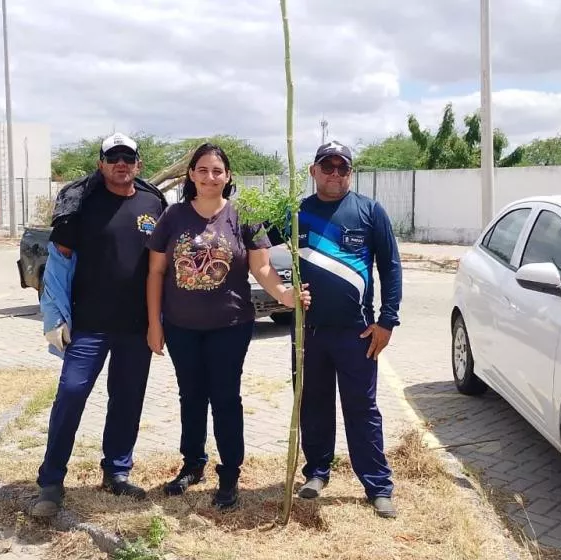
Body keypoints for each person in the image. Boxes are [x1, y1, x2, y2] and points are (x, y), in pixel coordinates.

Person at [145, 143, 309, 510]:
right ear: (191, 174)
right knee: (190, 396)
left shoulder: (242, 216)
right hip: (181, 326)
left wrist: (284, 295)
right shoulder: (173, 216)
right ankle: (192, 464)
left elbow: (262, 267)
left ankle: (230, 471)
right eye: (202, 170)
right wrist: (154, 323)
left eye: (217, 171)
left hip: (230, 325)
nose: (210, 177)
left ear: (228, 176)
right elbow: (155, 272)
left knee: (225, 397)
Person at [32, 133, 168, 517]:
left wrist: (159, 321)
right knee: (71, 393)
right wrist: (53, 317)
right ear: (101, 164)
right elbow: (58, 262)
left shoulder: (153, 203)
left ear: (138, 164)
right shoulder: (81, 203)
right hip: (89, 326)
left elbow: (163, 265)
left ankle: (117, 472)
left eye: (128, 157)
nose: (121, 163)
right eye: (113, 157)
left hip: (135, 327)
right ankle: (51, 480)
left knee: (127, 399)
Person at [275, 140, 403, 518]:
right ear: (313, 171)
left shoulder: (369, 211)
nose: (334, 174)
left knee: (362, 409)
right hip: (308, 332)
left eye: (342, 168)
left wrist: (387, 321)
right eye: (327, 167)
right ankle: (317, 472)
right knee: (312, 404)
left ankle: (377, 485)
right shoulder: (295, 213)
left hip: (357, 333)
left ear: (350, 172)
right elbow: (254, 243)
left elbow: (390, 267)